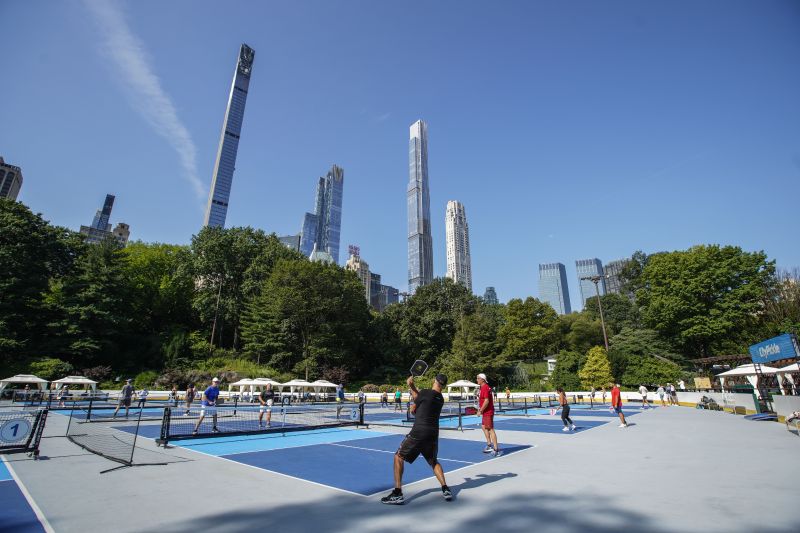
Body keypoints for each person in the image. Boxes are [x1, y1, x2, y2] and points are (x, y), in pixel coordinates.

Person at [381, 374, 452, 505]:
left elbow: (415, 405)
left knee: (398, 457)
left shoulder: (425, 393)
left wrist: (411, 385)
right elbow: (420, 401)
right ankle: (445, 488)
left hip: (419, 432)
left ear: (434, 380)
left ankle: (397, 493)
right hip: (433, 433)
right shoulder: (440, 398)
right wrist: (412, 387)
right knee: (433, 462)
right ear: (444, 385)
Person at [477, 373, 501, 456]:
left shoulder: (485, 388)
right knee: (483, 426)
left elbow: (486, 401)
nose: (477, 379)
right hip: (485, 411)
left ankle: (496, 449)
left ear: (482, 379)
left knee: (490, 429)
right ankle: (489, 444)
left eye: (478, 378)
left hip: (488, 412)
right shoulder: (483, 387)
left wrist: (480, 410)